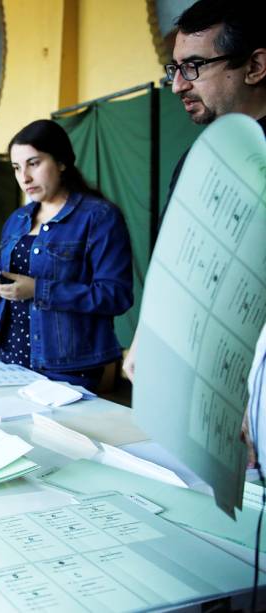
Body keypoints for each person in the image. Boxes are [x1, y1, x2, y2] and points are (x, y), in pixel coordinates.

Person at [122, 0, 266, 382]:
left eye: (194, 67)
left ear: (254, 67)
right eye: (175, 68)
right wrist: (147, 333)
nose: (177, 84)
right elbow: (177, 264)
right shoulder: (197, 157)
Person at [0, 120, 133, 391]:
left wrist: (39, 290)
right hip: (7, 355)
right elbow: (17, 283)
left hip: (67, 364)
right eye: (16, 168)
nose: (25, 177)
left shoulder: (99, 217)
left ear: (61, 162)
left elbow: (116, 296)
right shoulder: (17, 219)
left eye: (33, 163)